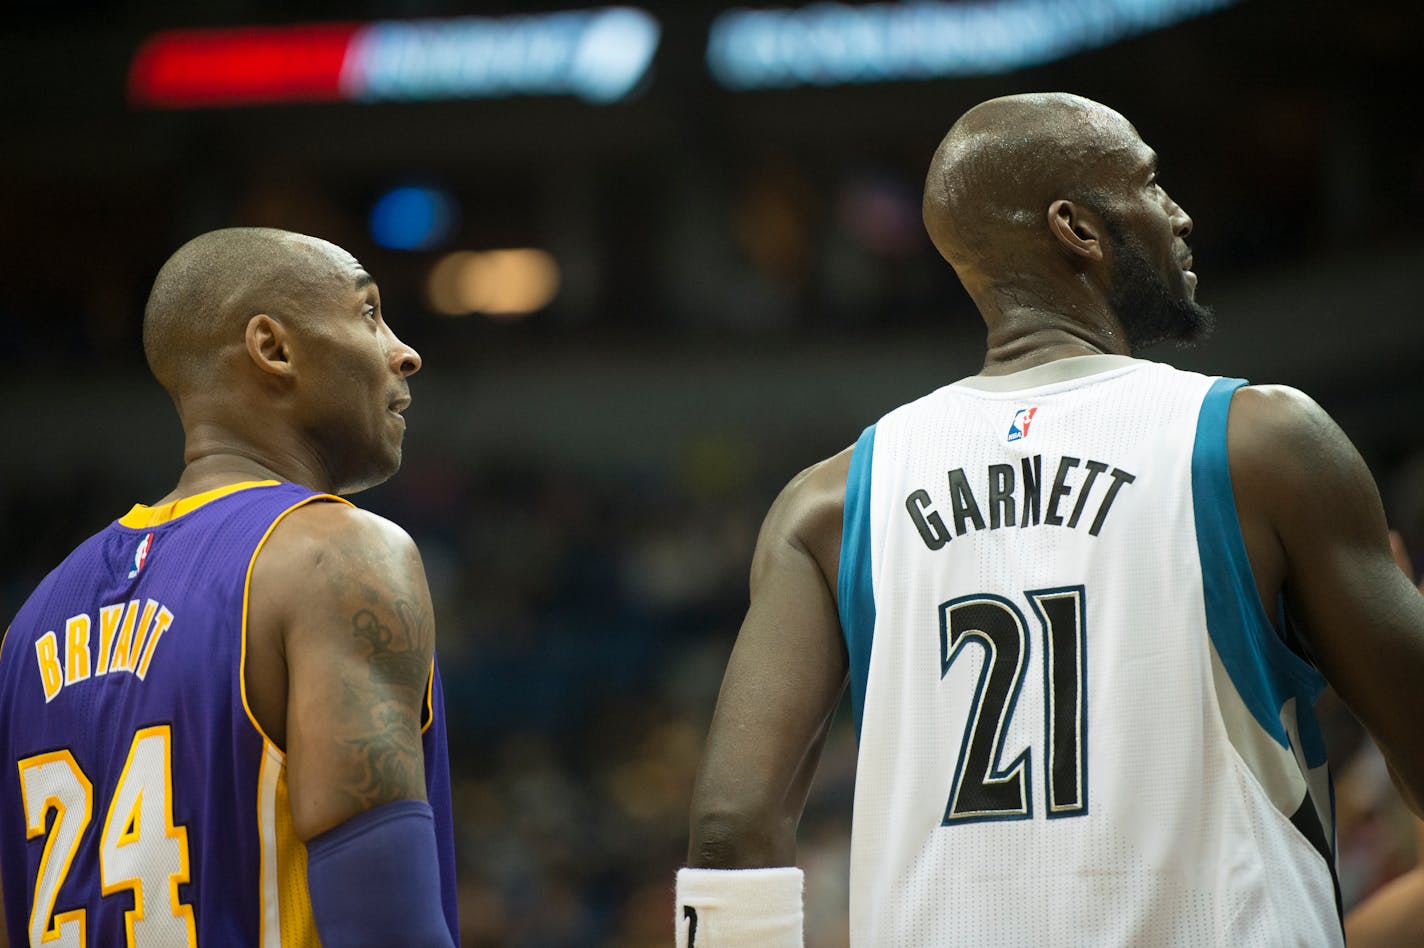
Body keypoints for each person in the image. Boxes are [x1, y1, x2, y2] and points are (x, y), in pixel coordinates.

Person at [678, 92, 1424, 946]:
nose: (1178, 216)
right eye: (1150, 184)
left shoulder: (829, 502)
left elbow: (730, 831)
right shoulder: (1261, 443)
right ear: (1077, 227)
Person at [0, 228, 458, 946]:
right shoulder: (335, 554)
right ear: (272, 349)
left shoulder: (30, 625)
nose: (405, 351)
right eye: (369, 314)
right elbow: (383, 926)